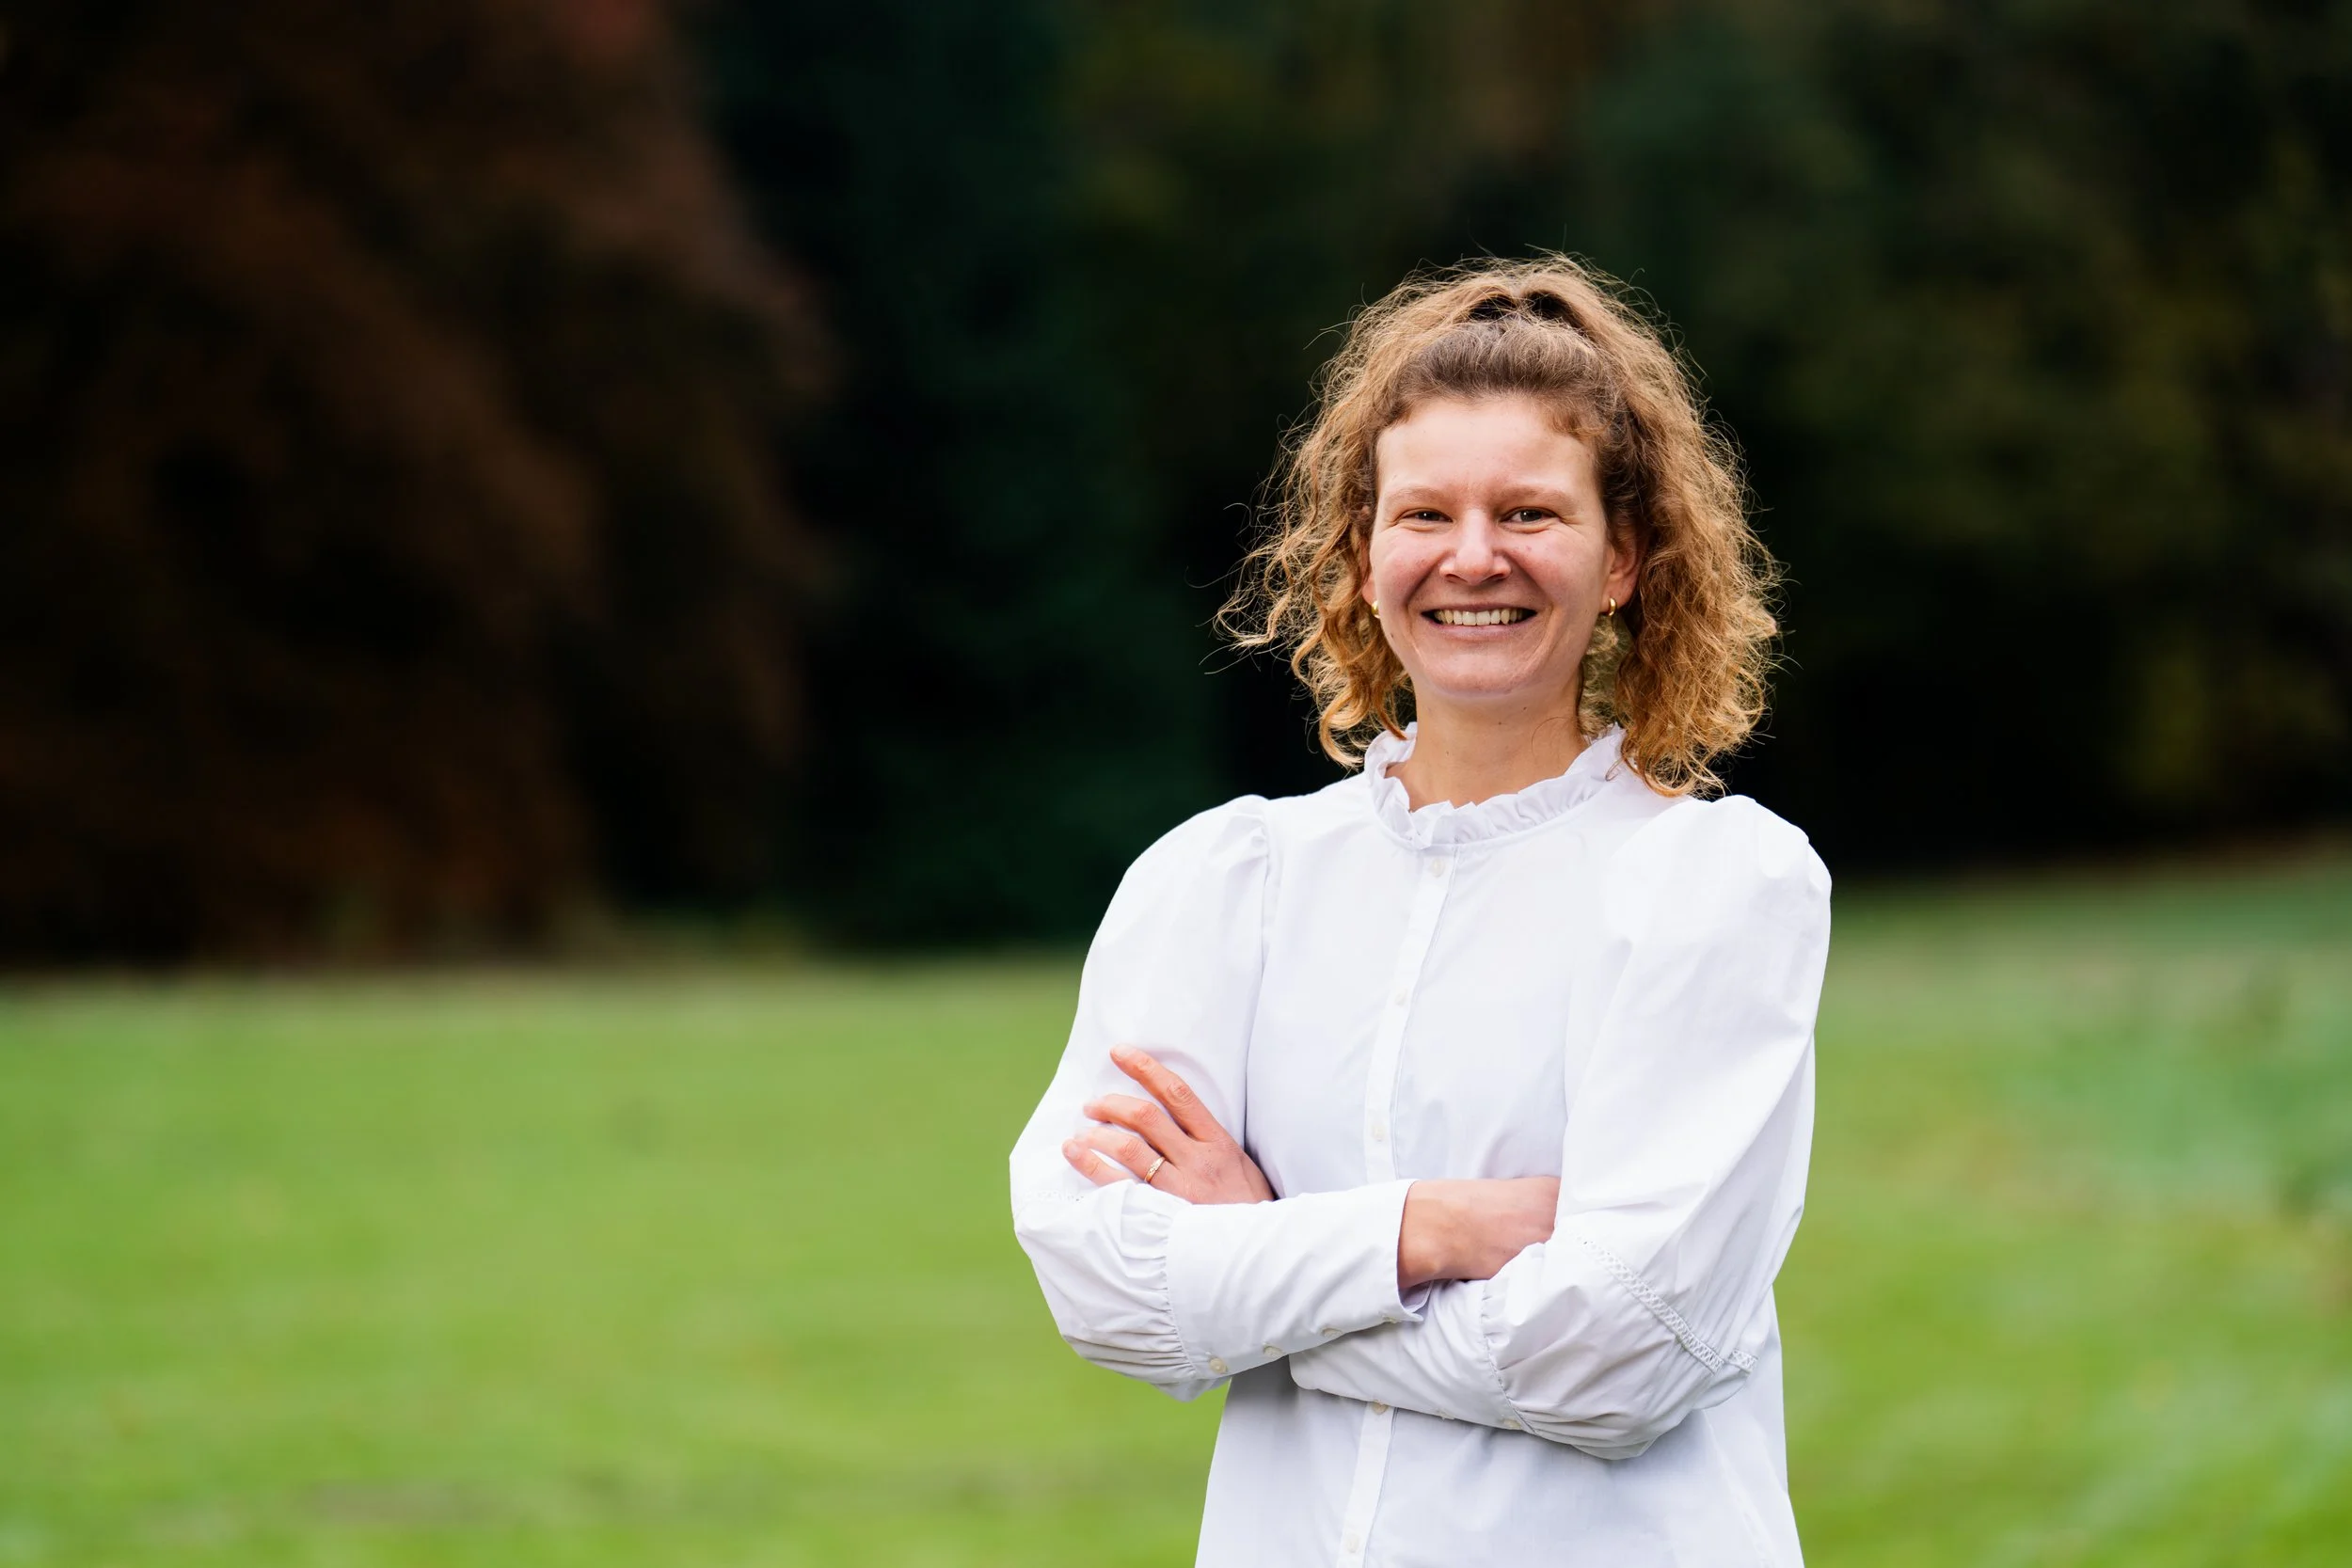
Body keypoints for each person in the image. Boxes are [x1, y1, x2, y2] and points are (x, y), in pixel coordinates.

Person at [1009, 255, 1832, 1566]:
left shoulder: (1713, 886)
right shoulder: (1227, 884)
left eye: (1530, 512)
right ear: (1364, 552)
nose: (1473, 556)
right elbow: (1099, 1279)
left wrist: (1261, 1271)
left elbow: (1620, 1352)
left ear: (1624, 557)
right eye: (1425, 513)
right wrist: (1426, 1231)